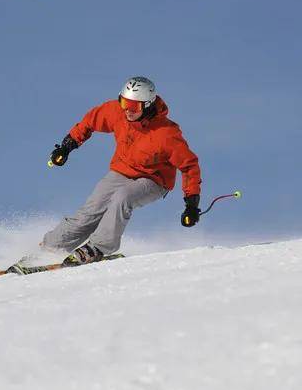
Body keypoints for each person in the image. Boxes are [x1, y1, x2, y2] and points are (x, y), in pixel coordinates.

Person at [41, 76, 202, 264]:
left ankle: (98, 247)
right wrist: (66, 147)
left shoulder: (166, 134)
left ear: (148, 105)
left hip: (154, 180)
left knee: (122, 197)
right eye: (125, 102)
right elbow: (89, 122)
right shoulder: (117, 112)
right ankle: (51, 246)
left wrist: (191, 204)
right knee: (91, 210)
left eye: (134, 106)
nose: (128, 110)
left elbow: (189, 166)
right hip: (121, 171)